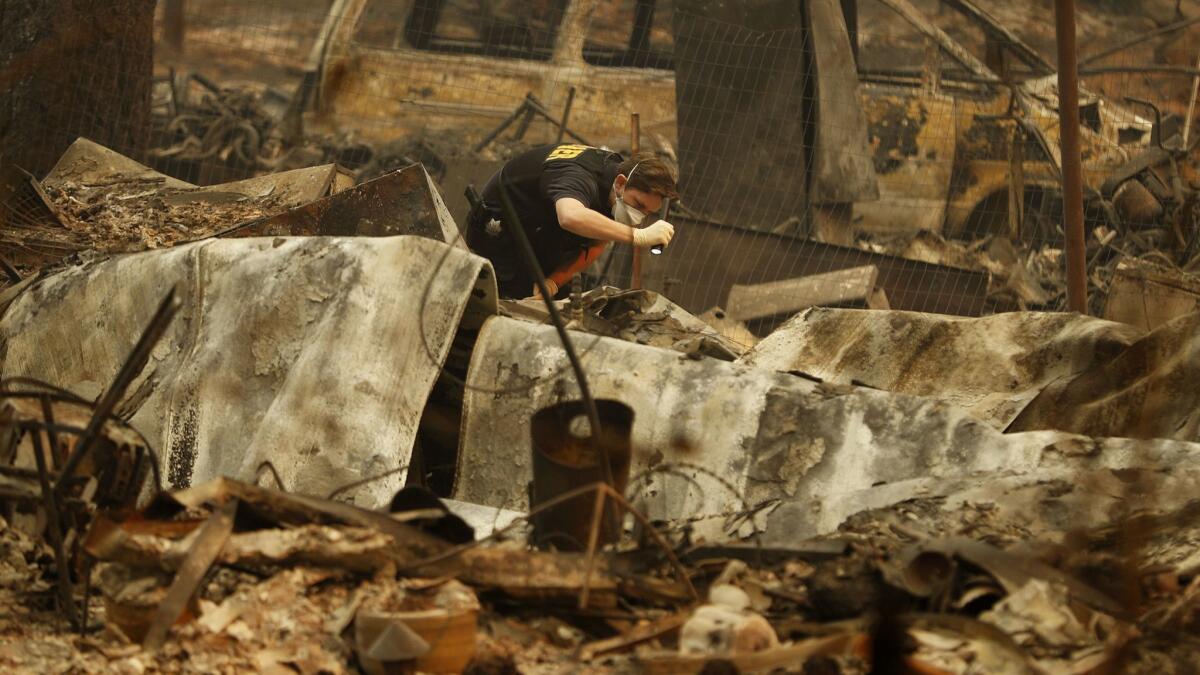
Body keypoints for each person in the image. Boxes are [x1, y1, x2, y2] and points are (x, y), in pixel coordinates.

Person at [465, 143, 678, 299]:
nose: (639, 216)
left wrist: (553, 283)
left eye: (648, 213)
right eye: (639, 205)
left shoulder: (612, 189)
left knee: (559, 304)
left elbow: (596, 243)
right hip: (501, 233)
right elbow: (571, 217)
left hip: (542, 238)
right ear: (621, 184)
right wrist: (637, 236)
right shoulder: (579, 177)